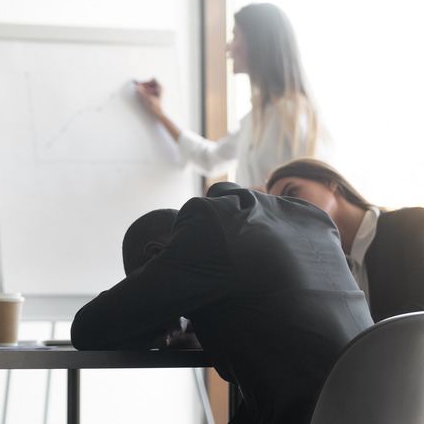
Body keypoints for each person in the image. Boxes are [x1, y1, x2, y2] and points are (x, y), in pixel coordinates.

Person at [71, 182, 373, 424]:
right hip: (383, 404)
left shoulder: (205, 228)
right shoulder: (308, 220)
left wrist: (158, 316)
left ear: (155, 256)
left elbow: (89, 328)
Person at [267, 158, 424, 342]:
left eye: (292, 192)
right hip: (395, 378)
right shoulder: (327, 271)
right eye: (281, 208)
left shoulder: (413, 225)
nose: (290, 208)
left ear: (330, 183)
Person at [136, 3, 328, 191]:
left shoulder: (294, 113)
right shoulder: (255, 118)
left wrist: (231, 197)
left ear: (256, 43)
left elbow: (309, 191)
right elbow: (210, 158)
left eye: (235, 37)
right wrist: (159, 114)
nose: (228, 47)